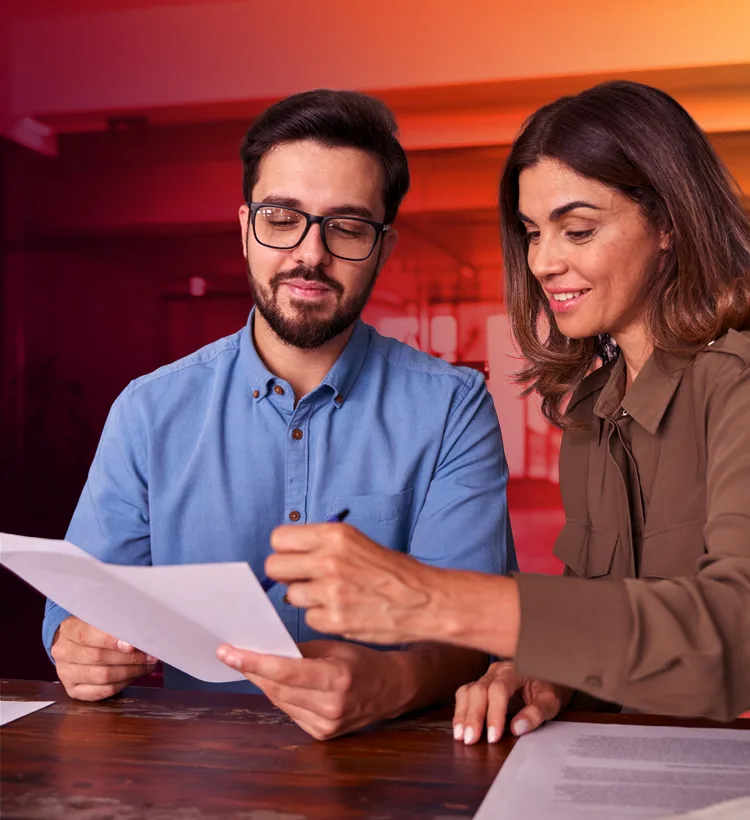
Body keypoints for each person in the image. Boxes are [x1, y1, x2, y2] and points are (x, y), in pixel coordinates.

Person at [258, 80, 750, 745]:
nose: (544, 262)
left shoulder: (738, 382)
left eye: (577, 229)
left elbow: (733, 635)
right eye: (531, 233)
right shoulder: (592, 411)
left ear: (667, 223)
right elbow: (616, 621)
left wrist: (430, 599)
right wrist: (549, 671)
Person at [42, 89, 517, 740]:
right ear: (245, 228)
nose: (311, 255)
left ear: (382, 246)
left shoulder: (451, 408)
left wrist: (390, 683)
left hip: (396, 770)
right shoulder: (149, 410)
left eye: (346, 227)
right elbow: (76, 606)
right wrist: (77, 646)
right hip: (196, 775)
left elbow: (475, 631)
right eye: (283, 217)